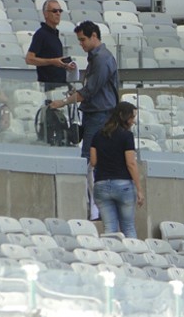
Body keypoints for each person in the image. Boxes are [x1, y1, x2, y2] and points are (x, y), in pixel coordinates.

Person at [50, 21, 119, 219]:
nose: (81, 43)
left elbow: (89, 91)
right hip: (95, 113)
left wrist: (63, 102)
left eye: (83, 39)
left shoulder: (101, 59)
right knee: (91, 160)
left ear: (94, 36)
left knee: (90, 160)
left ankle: (96, 207)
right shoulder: (96, 59)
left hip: (100, 114)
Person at [90, 101, 144, 238]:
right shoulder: (127, 136)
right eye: (131, 117)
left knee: (109, 228)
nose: (133, 121)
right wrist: (139, 189)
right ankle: (134, 257)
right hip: (123, 184)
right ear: (122, 116)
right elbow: (131, 163)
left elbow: (93, 161)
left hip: (101, 184)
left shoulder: (97, 135)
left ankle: (111, 257)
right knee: (128, 227)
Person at [25, 0, 76, 92]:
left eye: (60, 11)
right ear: (45, 14)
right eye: (54, 11)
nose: (58, 13)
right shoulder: (41, 34)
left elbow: (55, 61)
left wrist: (65, 65)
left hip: (59, 85)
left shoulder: (55, 34)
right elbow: (29, 59)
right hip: (48, 87)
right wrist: (52, 61)